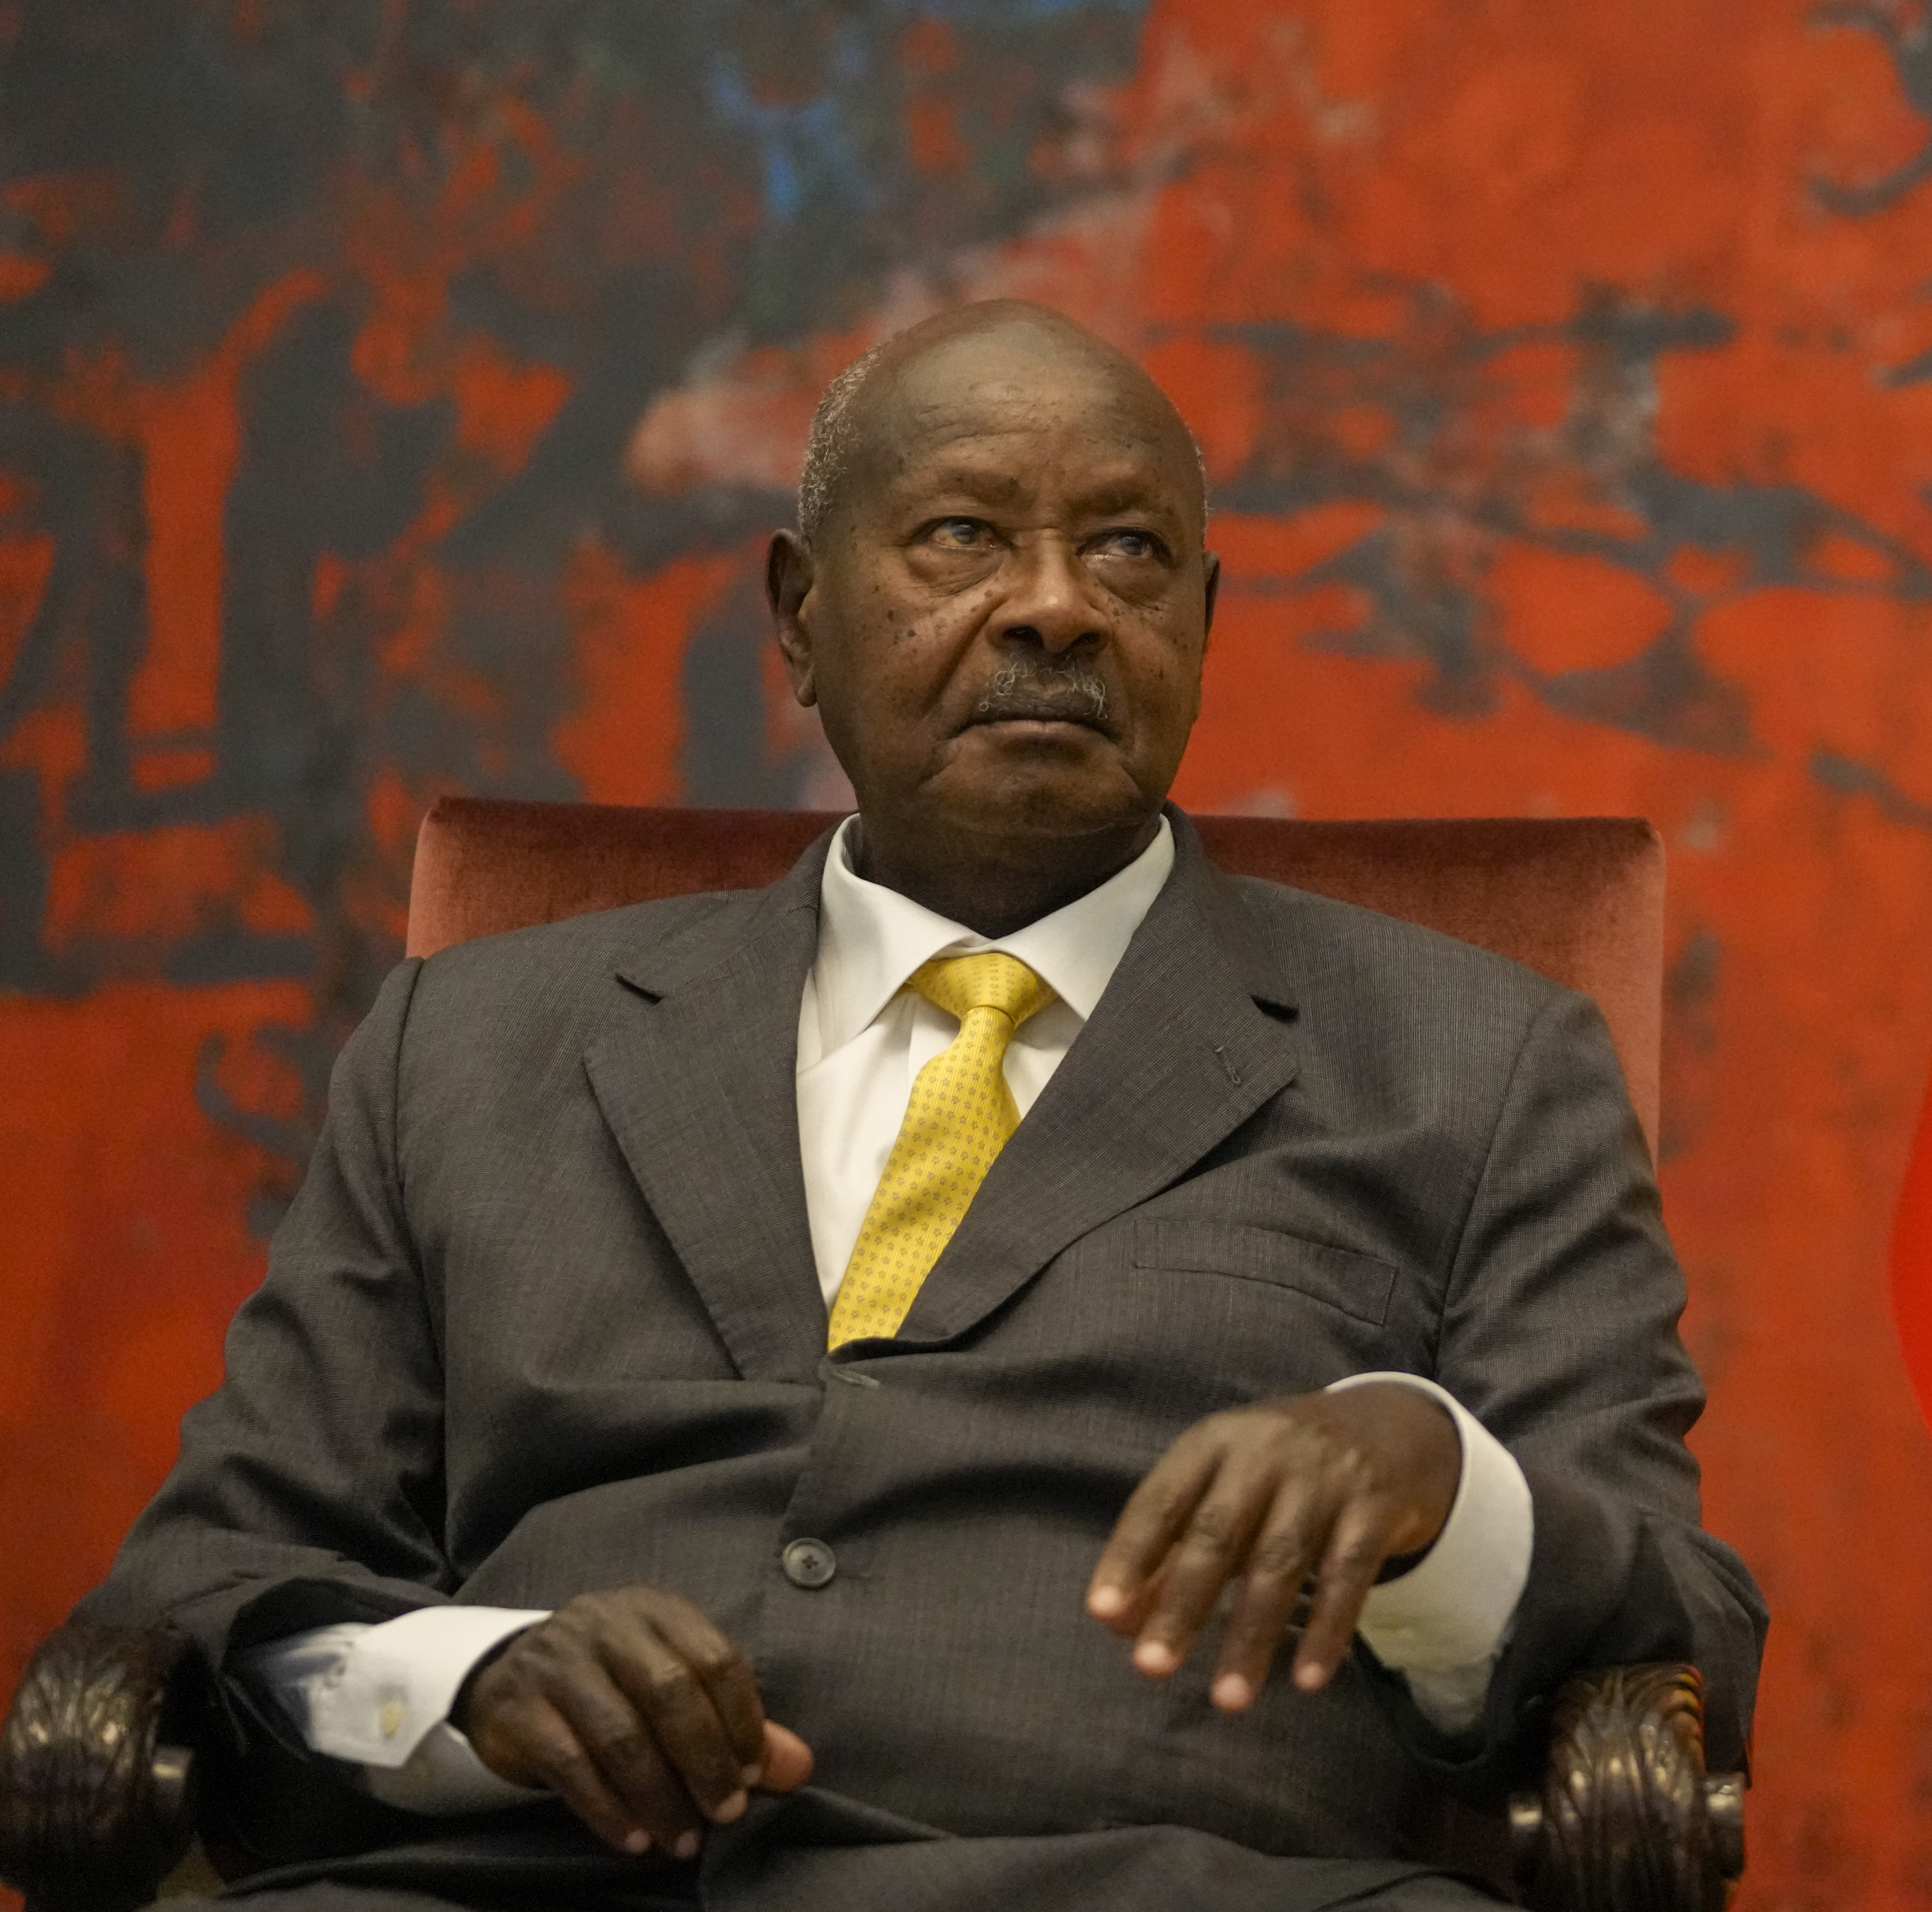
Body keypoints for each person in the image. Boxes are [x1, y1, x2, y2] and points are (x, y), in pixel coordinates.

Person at [77, 301, 1763, 1910]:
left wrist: (1435, 1482)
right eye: (963, 535)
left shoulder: (1473, 1057)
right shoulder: (475, 1039)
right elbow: (203, 1602)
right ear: (799, 612)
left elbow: (1686, 1634)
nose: (1056, 609)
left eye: (1128, 552)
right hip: (513, 1881)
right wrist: (465, 1683)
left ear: (1201, 625)